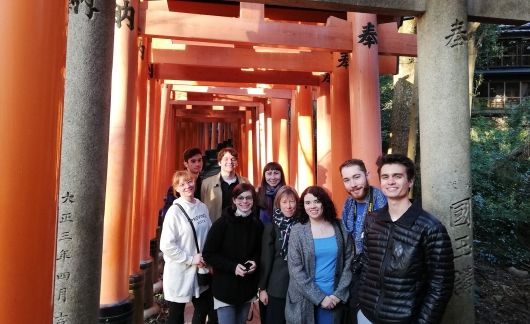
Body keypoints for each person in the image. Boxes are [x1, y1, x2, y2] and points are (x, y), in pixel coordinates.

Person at [358, 154, 455, 324]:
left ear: (410, 181)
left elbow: (440, 286)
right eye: (385, 177)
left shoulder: (431, 228)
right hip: (366, 315)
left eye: (398, 176)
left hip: (404, 319)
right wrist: (360, 303)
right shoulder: (372, 220)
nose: (391, 181)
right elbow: (366, 264)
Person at [286, 186, 353, 324]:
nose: (312, 206)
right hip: (305, 297)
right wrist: (320, 298)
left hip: (334, 298)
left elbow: (349, 262)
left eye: (316, 201)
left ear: (324, 202)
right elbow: (296, 270)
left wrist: (338, 294)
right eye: (307, 202)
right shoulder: (297, 231)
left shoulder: (339, 226)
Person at [202, 183, 264, 324]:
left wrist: (254, 261)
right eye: (240, 198)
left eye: (249, 198)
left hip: (247, 288)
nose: (245, 201)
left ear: (253, 200)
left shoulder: (257, 224)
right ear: (234, 200)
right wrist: (233, 267)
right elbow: (208, 254)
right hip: (225, 287)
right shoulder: (221, 224)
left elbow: (259, 251)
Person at [160, 171, 213, 324]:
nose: (187, 186)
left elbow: (209, 233)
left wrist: (206, 257)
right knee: (176, 315)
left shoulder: (202, 206)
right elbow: (166, 245)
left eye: (189, 182)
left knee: (203, 308)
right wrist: (190, 259)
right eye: (182, 184)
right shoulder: (174, 212)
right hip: (180, 271)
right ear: (176, 189)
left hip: (200, 269)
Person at [258, 186, 299, 324]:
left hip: (299, 286)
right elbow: (266, 259)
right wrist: (262, 289)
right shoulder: (271, 227)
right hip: (277, 287)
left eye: (292, 201)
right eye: (284, 202)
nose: (289, 206)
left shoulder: (303, 226)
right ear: (278, 204)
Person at [339, 159, 387, 254]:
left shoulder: (384, 202)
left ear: (366, 175)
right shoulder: (348, 204)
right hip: (353, 263)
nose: (353, 185)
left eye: (357, 177)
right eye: (347, 180)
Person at [201, 147, 249, 223]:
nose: (230, 162)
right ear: (219, 162)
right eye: (226, 159)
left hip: (240, 225)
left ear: (237, 162)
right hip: (216, 226)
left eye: (233, 159)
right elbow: (202, 206)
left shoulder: (245, 182)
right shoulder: (206, 183)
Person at [161, 148, 204, 222]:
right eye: (193, 161)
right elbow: (167, 212)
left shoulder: (204, 182)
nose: (197, 164)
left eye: (199, 160)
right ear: (186, 163)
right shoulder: (177, 187)